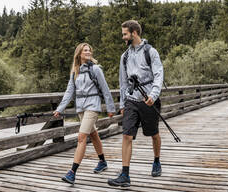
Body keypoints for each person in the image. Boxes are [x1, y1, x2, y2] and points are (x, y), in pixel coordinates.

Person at [108, 20, 164, 187]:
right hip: (131, 100)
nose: (123, 37)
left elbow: (159, 75)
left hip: (148, 101)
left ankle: (156, 160)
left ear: (134, 33)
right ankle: (125, 174)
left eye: (125, 34)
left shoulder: (151, 52)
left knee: (153, 134)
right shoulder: (124, 57)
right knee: (127, 135)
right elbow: (123, 82)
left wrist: (153, 95)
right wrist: (122, 104)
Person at [54, 43, 116, 184]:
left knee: (81, 137)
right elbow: (70, 92)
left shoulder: (95, 69)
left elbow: (105, 89)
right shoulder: (75, 71)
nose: (88, 52)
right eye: (85, 50)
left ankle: (72, 172)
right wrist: (60, 108)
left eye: (89, 50)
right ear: (79, 54)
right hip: (81, 108)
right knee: (93, 134)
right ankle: (102, 162)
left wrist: (111, 108)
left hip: (92, 106)